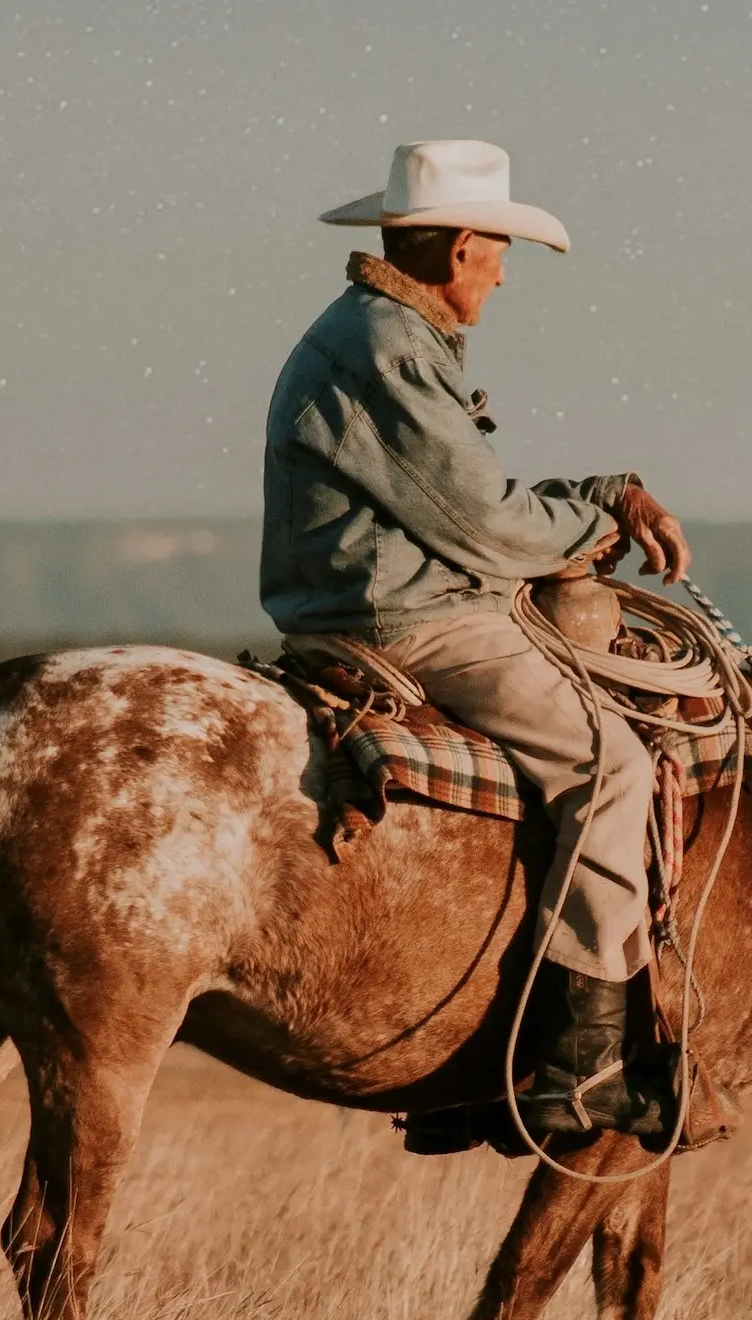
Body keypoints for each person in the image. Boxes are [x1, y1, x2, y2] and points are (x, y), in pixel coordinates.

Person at [260, 139, 693, 1139]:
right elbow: (486, 525)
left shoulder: (376, 335)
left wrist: (598, 495)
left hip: (387, 601)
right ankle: (581, 1068)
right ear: (460, 249)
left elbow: (468, 499)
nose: (504, 271)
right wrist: (597, 526)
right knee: (614, 770)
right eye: (499, 250)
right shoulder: (389, 347)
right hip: (415, 619)